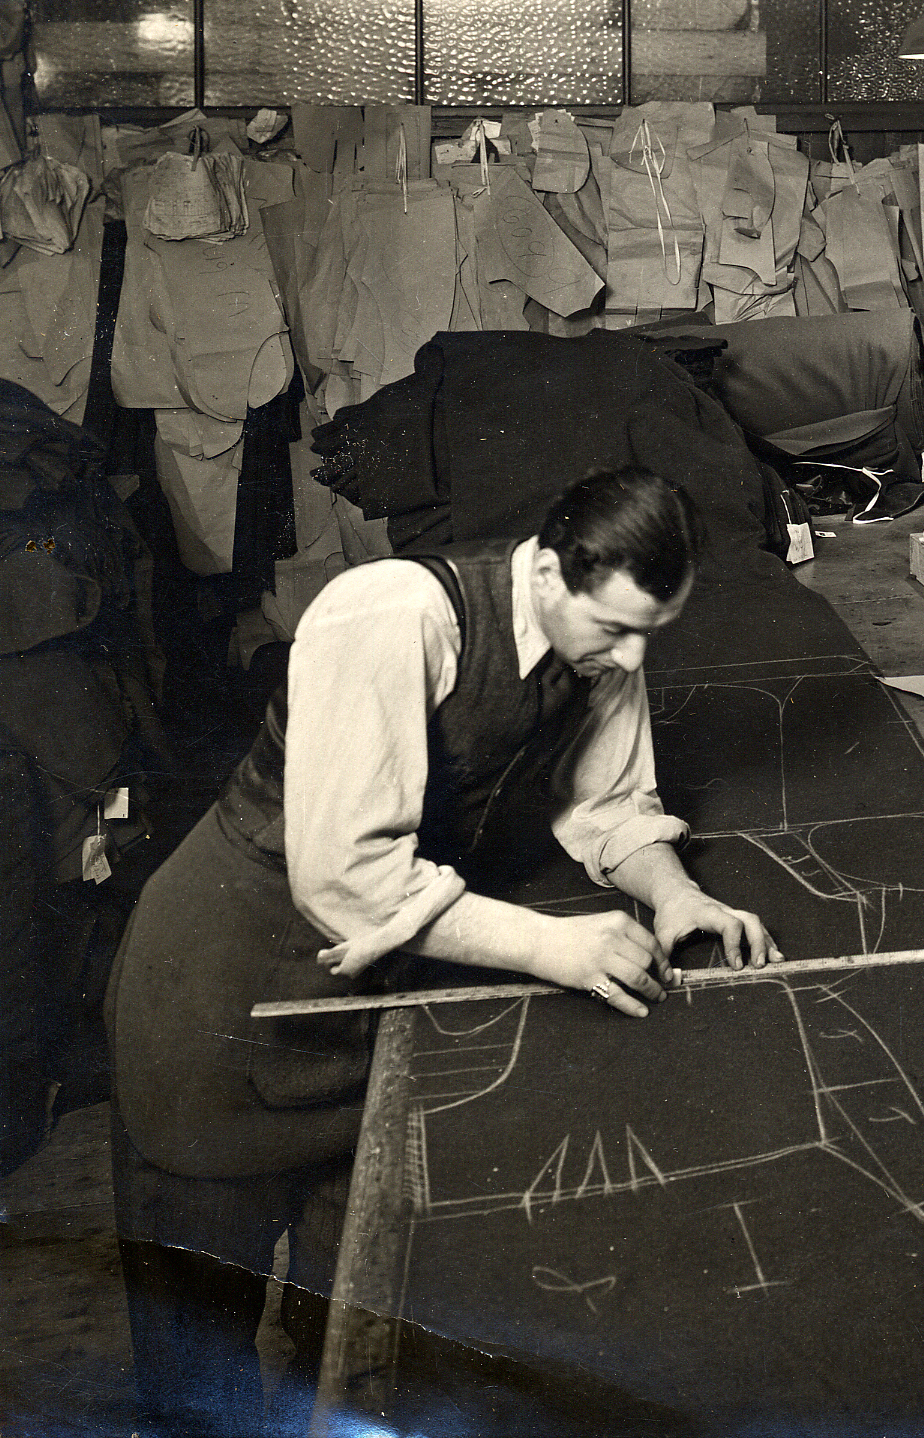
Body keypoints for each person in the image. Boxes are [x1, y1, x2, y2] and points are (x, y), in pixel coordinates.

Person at [105, 466, 779, 1436]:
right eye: (616, 628)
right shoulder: (389, 614)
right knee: (197, 1377)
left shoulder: (602, 649)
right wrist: (556, 945)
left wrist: (675, 893)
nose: (630, 656)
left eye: (649, 633)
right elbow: (344, 875)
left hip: (366, 1011)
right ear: (547, 569)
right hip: (222, 997)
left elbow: (609, 804)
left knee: (350, 1350)